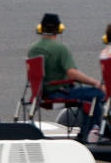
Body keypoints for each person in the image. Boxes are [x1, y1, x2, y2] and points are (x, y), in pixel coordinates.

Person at [28, 13, 105, 143]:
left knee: (85, 94)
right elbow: (72, 74)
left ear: (41, 28)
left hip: (40, 95)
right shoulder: (60, 49)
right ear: (59, 29)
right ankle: (90, 133)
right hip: (57, 94)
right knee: (97, 94)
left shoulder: (32, 49)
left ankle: (87, 132)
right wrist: (95, 82)